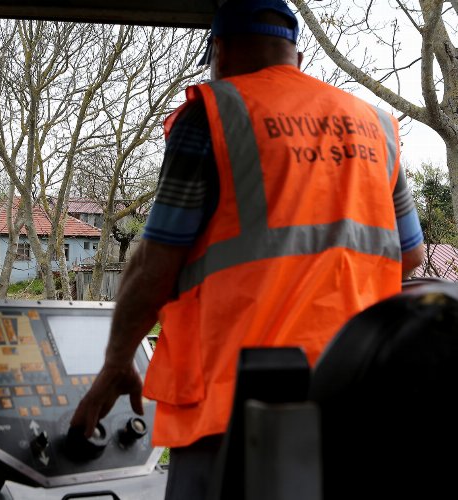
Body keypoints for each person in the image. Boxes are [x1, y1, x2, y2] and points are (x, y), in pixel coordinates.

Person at [70, 0, 425, 498]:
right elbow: (409, 256)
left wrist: (116, 363)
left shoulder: (214, 114)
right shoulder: (375, 125)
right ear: (293, 55)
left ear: (220, 51)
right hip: (357, 397)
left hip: (236, 408)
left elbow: (156, 263)